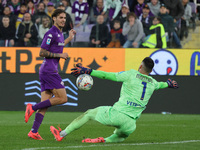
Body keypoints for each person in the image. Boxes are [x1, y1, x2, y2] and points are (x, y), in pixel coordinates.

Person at [50, 57, 178, 143]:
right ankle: (103, 140)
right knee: (119, 136)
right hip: (130, 124)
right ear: (151, 71)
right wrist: (168, 83)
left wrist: (89, 71)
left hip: (117, 114)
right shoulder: (153, 83)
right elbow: (161, 85)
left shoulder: (131, 74)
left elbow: (107, 75)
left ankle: (61, 135)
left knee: (89, 113)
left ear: (140, 66)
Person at [24, 9, 76, 140]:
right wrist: (60, 55)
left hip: (47, 71)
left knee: (45, 104)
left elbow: (58, 46)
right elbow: (42, 52)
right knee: (63, 98)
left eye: (64, 18)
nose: (63, 20)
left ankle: (33, 131)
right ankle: (32, 107)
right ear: (54, 18)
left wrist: (69, 38)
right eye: (60, 17)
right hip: (49, 71)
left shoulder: (59, 33)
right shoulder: (51, 33)